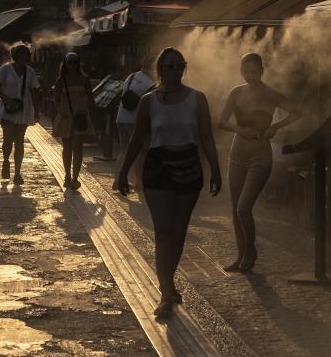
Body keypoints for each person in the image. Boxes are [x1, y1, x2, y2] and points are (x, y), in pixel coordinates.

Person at [115, 47, 222, 319]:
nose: (174, 70)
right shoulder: (148, 101)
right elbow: (137, 139)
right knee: (162, 231)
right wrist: (123, 171)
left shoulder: (197, 99)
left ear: (184, 68)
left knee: (178, 231)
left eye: (178, 65)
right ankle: (166, 291)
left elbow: (207, 138)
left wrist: (216, 169)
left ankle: (169, 284)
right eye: (168, 66)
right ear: (160, 69)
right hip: (158, 167)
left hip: (188, 166)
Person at [218, 52, 302, 272]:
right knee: (235, 207)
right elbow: (222, 121)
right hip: (237, 153)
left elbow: (297, 112)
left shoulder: (271, 94)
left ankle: (250, 250)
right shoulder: (236, 92)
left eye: (254, 71)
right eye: (246, 71)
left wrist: (276, 126)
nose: (250, 76)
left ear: (262, 71)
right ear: (241, 71)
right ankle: (241, 255)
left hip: (260, 155)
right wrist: (239, 129)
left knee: (244, 207)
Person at [0, 43, 42, 185]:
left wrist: (37, 110)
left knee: (20, 142)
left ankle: (18, 173)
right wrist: (7, 99)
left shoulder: (30, 72)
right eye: (20, 54)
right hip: (8, 109)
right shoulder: (5, 69)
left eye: (25, 55)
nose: (22, 57)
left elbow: (34, 90)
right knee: (7, 140)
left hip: (24, 109)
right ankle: (6, 161)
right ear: (15, 55)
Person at [52, 52, 96, 190]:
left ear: (79, 64)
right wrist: (61, 110)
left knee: (77, 148)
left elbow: (90, 98)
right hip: (66, 117)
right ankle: (67, 175)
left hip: (80, 116)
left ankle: (75, 177)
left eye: (75, 62)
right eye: (69, 62)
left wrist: (91, 113)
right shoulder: (61, 80)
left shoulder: (85, 80)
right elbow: (56, 99)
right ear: (65, 64)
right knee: (67, 147)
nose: (72, 65)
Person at [112, 55, 155, 192]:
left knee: (124, 150)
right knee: (139, 152)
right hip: (135, 121)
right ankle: (139, 183)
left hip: (122, 118)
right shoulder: (150, 83)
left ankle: (117, 180)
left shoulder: (131, 77)